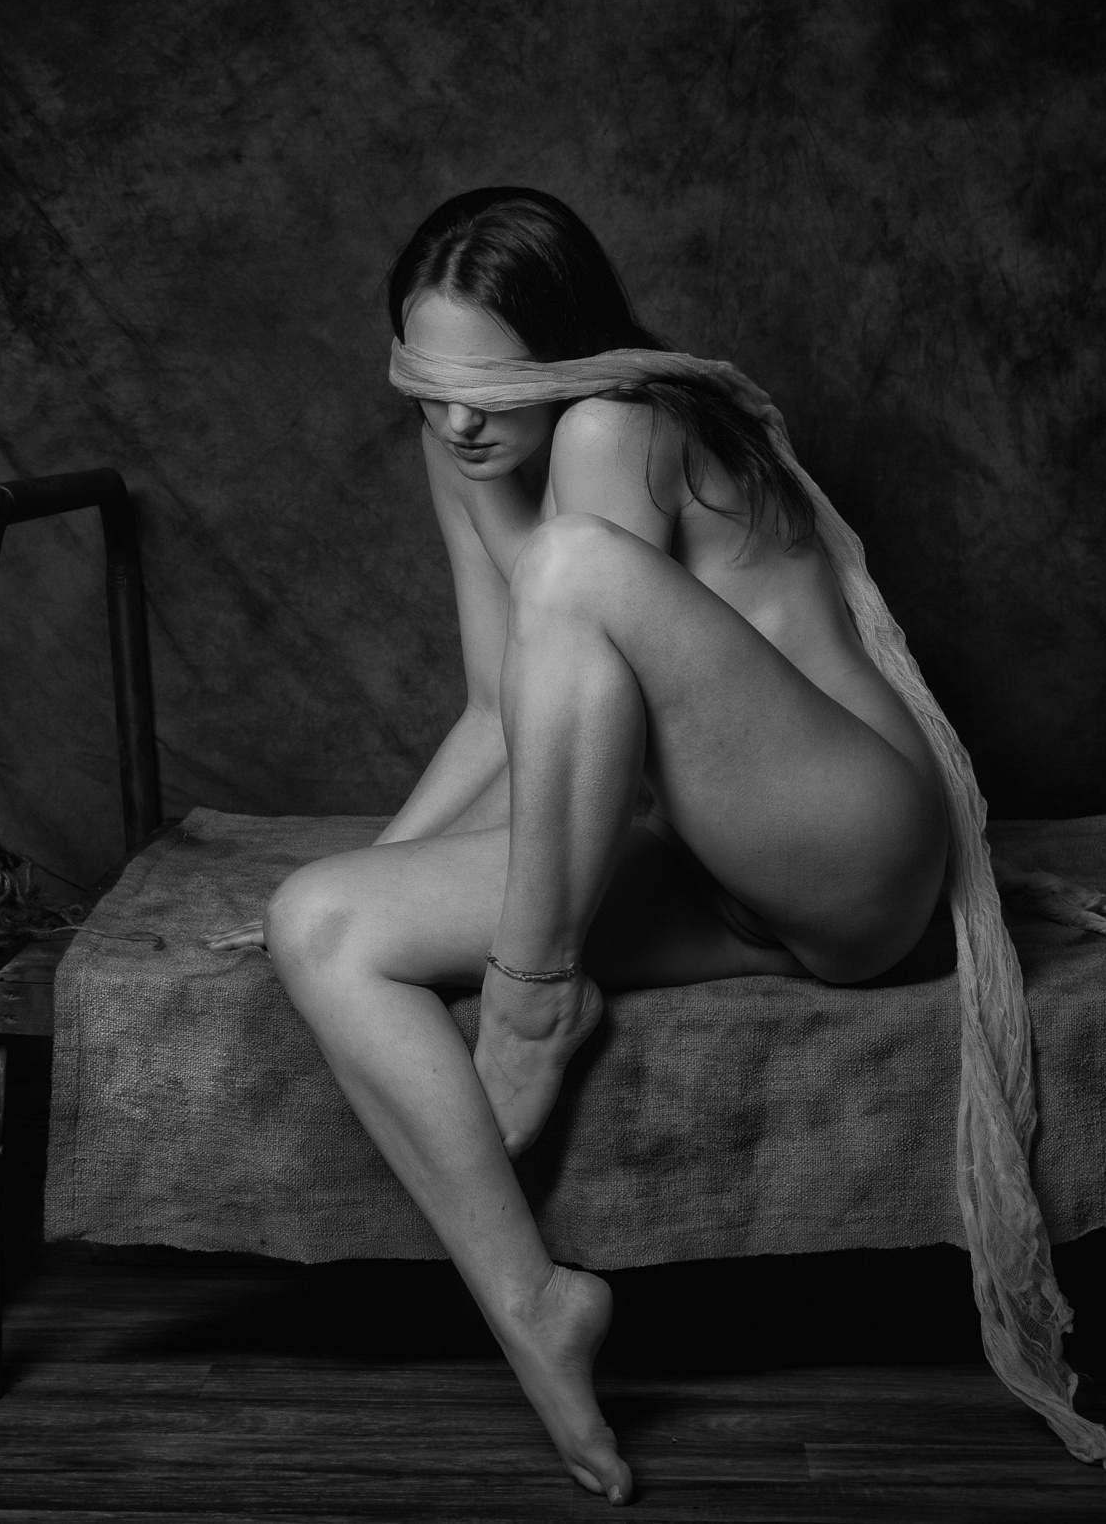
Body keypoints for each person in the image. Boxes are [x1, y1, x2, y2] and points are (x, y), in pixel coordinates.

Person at [218, 187, 956, 1504]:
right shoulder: (460, 451)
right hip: (710, 871)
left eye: (490, 388)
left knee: (566, 567)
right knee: (316, 920)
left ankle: (538, 1000)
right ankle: (534, 1304)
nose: (458, 420)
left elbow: (581, 720)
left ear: (569, 356)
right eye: (430, 385)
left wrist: (518, 962)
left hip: (850, 840)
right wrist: (389, 863)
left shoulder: (620, 422)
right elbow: (500, 715)